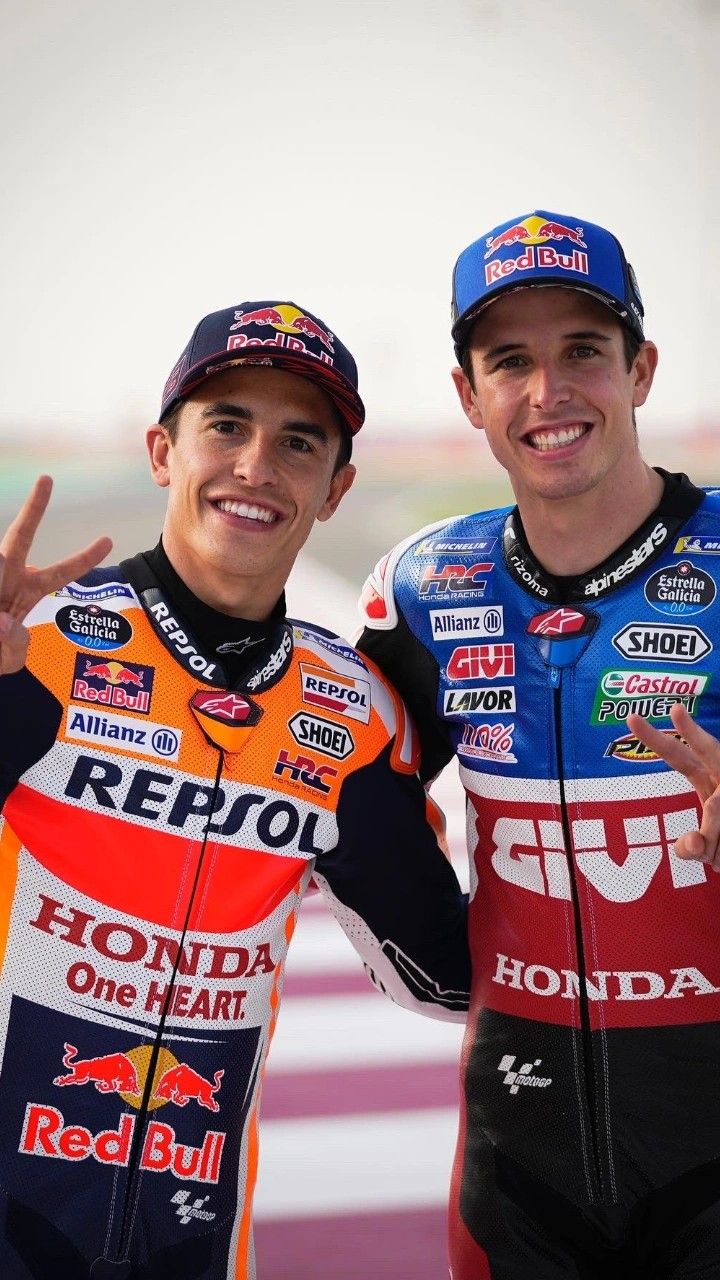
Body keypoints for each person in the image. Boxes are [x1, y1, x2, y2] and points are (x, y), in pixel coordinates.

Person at [0, 300, 470, 1280]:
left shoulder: (348, 713)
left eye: (298, 441)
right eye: (226, 424)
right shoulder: (34, 643)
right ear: (162, 449)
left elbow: (447, 971)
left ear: (336, 489)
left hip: (196, 1238)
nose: (258, 463)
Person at [357, 211, 720, 1279]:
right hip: (521, 1153)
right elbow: (339, 797)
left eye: (583, 352)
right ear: (469, 394)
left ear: (641, 369)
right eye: (510, 360)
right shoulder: (424, 586)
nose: (547, 392)